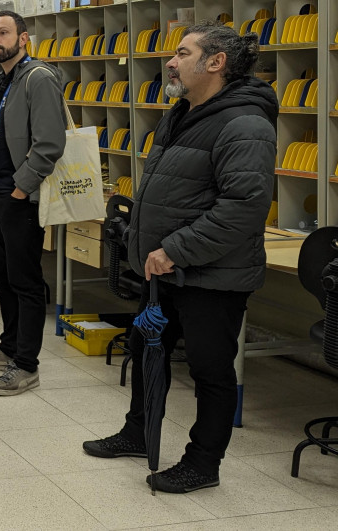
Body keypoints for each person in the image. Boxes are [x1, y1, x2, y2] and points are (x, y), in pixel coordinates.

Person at [82, 25, 275, 494]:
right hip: (166, 269)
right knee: (149, 353)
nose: (170, 61)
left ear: (215, 63)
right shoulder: (183, 112)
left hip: (211, 275)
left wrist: (175, 249)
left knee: (210, 370)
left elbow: (242, 207)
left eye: (182, 53)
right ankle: (136, 433)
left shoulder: (245, 123)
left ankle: (202, 463)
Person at [0, 10, 66, 397]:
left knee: (25, 281)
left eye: (3, 32)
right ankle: (8, 347)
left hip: (18, 197)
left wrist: (20, 189)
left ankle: (26, 364)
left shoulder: (38, 78)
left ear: (24, 38)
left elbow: (49, 144)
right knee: (2, 276)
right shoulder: (1, 80)